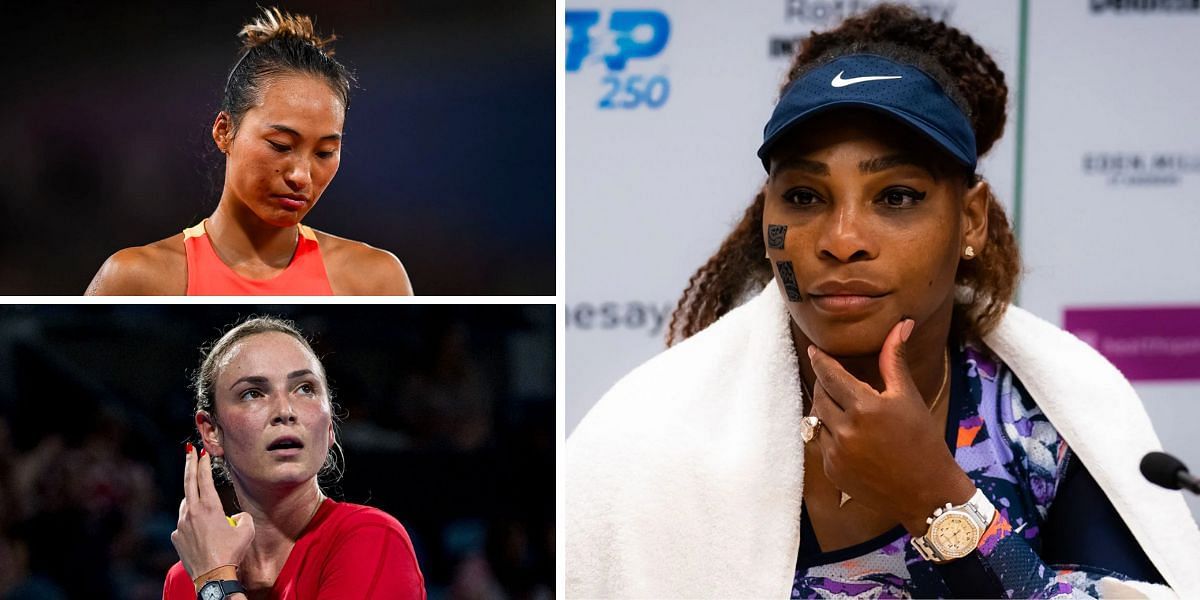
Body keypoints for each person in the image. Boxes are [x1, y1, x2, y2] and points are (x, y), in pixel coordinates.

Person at [566, 4, 1200, 598]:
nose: (841, 241)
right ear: (767, 217)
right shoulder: (646, 438)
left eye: (896, 197)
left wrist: (933, 497)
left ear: (971, 220)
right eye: (806, 198)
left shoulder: (1050, 414)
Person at [86, 7, 412, 296]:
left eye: (325, 152)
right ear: (224, 131)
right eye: (281, 145)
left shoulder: (376, 281)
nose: (301, 176)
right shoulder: (137, 279)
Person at [163, 316, 425, 599]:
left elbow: (211, 578)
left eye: (305, 389)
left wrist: (214, 582)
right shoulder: (183, 581)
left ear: (329, 425)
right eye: (253, 393)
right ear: (211, 431)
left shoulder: (373, 537)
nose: (285, 410)